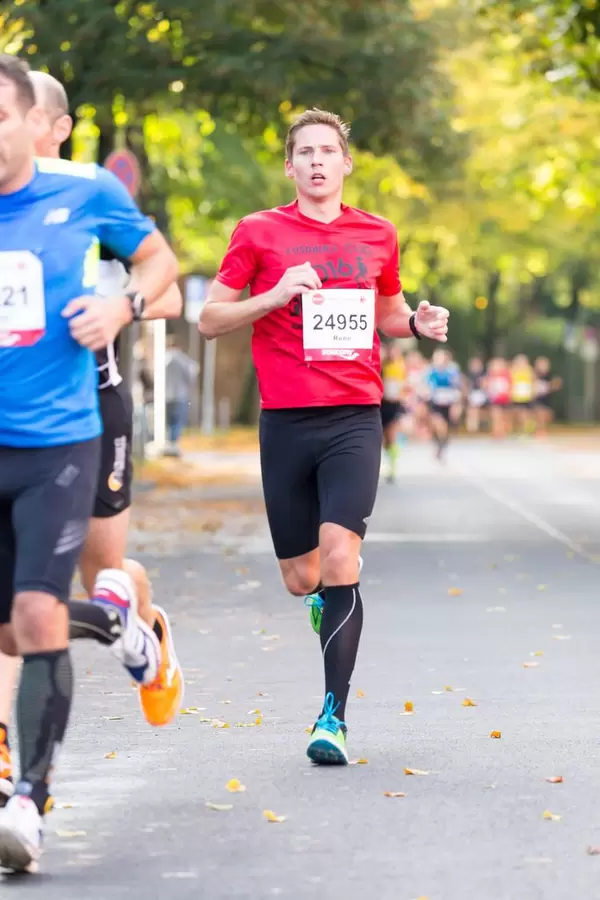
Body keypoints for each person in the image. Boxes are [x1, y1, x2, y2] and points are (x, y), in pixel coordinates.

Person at [198, 107, 449, 766]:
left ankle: (333, 715)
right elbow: (209, 319)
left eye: (326, 151)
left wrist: (417, 323)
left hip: (353, 416)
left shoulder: (376, 234)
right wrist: (275, 294)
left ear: (344, 163)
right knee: (300, 575)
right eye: (303, 151)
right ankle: (324, 602)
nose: (315, 161)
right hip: (285, 420)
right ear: (290, 165)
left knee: (342, 556)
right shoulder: (258, 232)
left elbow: (390, 313)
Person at [0, 55, 178, 872]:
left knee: (42, 611)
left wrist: (123, 305)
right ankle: (122, 632)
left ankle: (27, 805)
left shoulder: (85, 194)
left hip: (60, 436)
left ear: (33, 121)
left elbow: (160, 266)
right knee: (13, 625)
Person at [165, 334, 199, 455]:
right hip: (180, 394)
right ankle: (174, 444)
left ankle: (167, 442)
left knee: (167, 420)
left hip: (164, 395)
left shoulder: (163, 358)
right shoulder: (184, 360)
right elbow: (192, 373)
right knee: (177, 420)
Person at [425, 349, 462, 461]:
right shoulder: (431, 371)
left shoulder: (452, 371)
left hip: (449, 403)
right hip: (436, 403)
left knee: (445, 428)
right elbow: (425, 385)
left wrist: (457, 405)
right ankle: (439, 443)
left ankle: (442, 445)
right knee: (438, 424)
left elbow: (457, 388)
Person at [380, 341, 408, 482]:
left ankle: (392, 466)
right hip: (381, 405)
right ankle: (386, 460)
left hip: (395, 405)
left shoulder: (401, 367)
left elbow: (406, 386)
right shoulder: (381, 366)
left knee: (391, 436)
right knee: (383, 439)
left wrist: (401, 395)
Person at [533, 356, 562, 437]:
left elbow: (557, 384)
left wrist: (549, 387)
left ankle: (542, 431)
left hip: (547, 401)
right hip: (536, 401)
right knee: (538, 412)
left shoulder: (551, 375)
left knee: (545, 414)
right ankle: (537, 431)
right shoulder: (533, 375)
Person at [485, 357, 512, 439]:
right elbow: (487, 386)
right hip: (495, 399)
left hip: (504, 399)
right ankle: (496, 432)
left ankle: (502, 431)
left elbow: (510, 386)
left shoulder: (506, 375)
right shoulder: (490, 375)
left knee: (503, 417)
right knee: (496, 415)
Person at [510, 353, 535, 435]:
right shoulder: (512, 370)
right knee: (515, 414)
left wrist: (533, 392)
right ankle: (516, 430)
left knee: (524, 414)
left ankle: (526, 430)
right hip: (515, 396)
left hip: (526, 397)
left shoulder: (529, 370)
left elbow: (533, 382)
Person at [465, 355, 488, 434]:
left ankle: (474, 428)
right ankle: (472, 429)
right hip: (472, 394)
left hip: (481, 394)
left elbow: (485, 386)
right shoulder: (468, 374)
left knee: (474, 409)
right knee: (472, 410)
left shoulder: (484, 374)